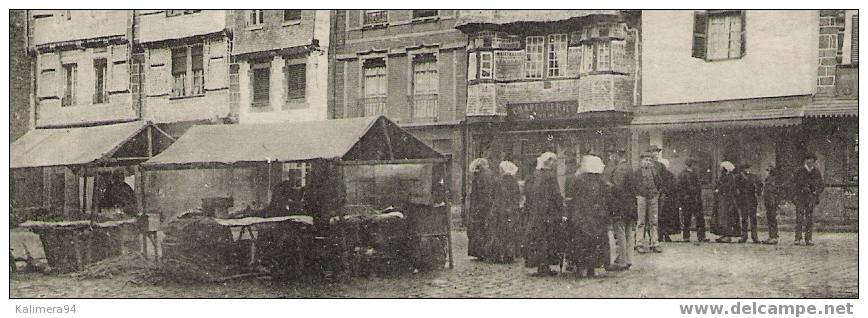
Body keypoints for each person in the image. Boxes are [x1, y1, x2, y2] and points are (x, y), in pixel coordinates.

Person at [565, 155, 611, 278]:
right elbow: (607, 196)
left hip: (581, 215)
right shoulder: (601, 180)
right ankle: (592, 268)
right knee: (594, 242)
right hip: (596, 216)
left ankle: (581, 267)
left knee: (581, 241)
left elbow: (572, 196)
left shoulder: (579, 179)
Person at [525, 152, 564, 276]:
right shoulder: (550, 176)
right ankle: (545, 266)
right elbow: (556, 195)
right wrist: (560, 209)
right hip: (549, 213)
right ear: (549, 162)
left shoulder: (535, 175)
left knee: (538, 239)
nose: (555, 163)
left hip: (536, 212)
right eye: (554, 161)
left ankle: (540, 265)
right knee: (548, 238)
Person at [607, 149, 635, 270]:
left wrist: (608, 184)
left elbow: (617, 189)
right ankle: (628, 259)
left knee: (620, 233)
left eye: (612, 156)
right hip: (630, 205)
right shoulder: (629, 168)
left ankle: (622, 261)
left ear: (617, 155)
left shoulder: (619, 170)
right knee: (628, 233)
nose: (611, 158)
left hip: (620, 206)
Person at [489, 161, 521, 263]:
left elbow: (495, 197)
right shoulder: (514, 182)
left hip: (500, 210)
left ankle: (498, 255)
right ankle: (509, 254)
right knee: (510, 233)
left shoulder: (499, 181)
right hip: (511, 210)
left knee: (499, 233)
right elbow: (517, 197)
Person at [632, 152, 663, 253]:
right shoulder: (637, 172)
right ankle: (639, 243)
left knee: (654, 221)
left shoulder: (655, 171)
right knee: (641, 221)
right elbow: (634, 185)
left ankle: (654, 243)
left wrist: (656, 193)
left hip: (653, 197)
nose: (648, 162)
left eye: (650, 160)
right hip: (641, 197)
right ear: (641, 161)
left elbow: (659, 183)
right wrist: (639, 194)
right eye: (646, 160)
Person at [792, 153, 824, 246]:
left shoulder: (816, 172)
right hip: (800, 198)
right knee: (799, 218)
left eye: (812, 160)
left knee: (809, 219)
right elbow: (793, 184)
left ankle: (808, 239)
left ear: (814, 161)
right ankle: (797, 238)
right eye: (808, 159)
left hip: (811, 198)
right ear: (806, 160)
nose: (810, 161)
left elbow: (821, 185)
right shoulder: (799, 171)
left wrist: (816, 192)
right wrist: (795, 196)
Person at [468, 158, 495, 260]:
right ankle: (487, 252)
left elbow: (479, 194)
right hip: (487, 206)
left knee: (478, 230)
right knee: (487, 230)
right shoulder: (490, 174)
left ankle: (481, 252)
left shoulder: (479, 177)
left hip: (480, 207)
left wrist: (476, 208)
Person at [677, 158, 708, 242]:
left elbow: (698, 187)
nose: (695, 166)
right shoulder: (683, 174)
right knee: (687, 218)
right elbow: (680, 188)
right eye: (694, 164)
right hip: (688, 199)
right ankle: (686, 237)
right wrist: (684, 196)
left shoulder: (695, 174)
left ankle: (701, 236)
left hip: (696, 199)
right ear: (690, 164)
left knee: (700, 218)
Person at [712, 161, 741, 243]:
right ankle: (724, 234)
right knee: (722, 217)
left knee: (727, 217)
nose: (720, 169)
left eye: (721, 168)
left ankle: (728, 235)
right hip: (722, 199)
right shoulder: (724, 176)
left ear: (725, 169)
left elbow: (728, 187)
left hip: (727, 200)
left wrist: (719, 189)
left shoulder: (730, 177)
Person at [657, 158, 681, 242]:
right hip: (668, 199)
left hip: (664, 199)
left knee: (662, 217)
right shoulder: (670, 175)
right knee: (665, 217)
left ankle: (661, 235)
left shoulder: (660, 174)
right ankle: (665, 234)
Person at [761, 166, 786, 245]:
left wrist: (773, 202)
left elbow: (772, 192)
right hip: (770, 202)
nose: (765, 173)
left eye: (767, 171)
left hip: (771, 202)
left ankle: (773, 237)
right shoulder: (770, 180)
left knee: (772, 219)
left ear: (770, 172)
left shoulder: (771, 181)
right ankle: (772, 236)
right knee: (771, 219)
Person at [737, 164, 762, 244]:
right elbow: (736, 187)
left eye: (748, 168)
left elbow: (760, 185)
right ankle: (744, 236)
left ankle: (755, 237)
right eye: (745, 168)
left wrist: (758, 190)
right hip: (743, 200)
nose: (747, 170)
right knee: (744, 219)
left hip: (752, 200)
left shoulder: (753, 177)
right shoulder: (739, 177)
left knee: (753, 219)